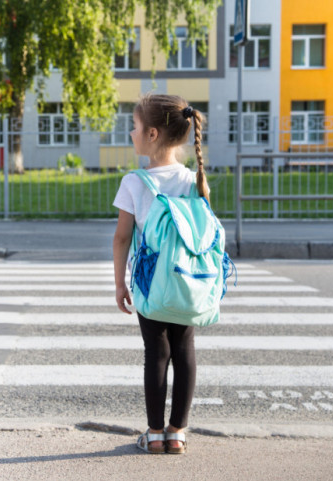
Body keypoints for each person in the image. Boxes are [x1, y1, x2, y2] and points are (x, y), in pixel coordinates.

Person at [112, 93, 210, 454]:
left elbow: (122, 238)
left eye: (134, 127)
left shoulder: (134, 183)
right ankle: (178, 433)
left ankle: (154, 435)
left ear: (152, 134)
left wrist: (120, 283)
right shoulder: (193, 179)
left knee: (155, 352)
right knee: (184, 351)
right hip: (186, 280)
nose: (131, 133)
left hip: (150, 283)